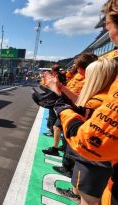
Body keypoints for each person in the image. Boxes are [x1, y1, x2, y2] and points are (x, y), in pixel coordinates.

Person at [55, 2, 118, 204]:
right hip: (108, 165)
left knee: (88, 198)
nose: (107, 31)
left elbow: (91, 141)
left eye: (108, 25)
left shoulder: (100, 98)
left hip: (98, 159)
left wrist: (63, 110)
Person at [43, 54, 97, 178]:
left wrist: (58, 90)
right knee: (58, 129)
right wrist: (58, 88)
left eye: (78, 67)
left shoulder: (91, 81)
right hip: (67, 106)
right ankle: (57, 150)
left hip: (77, 111)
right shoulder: (77, 76)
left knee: (71, 138)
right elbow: (69, 89)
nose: (75, 68)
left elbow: (81, 101)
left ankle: (69, 167)